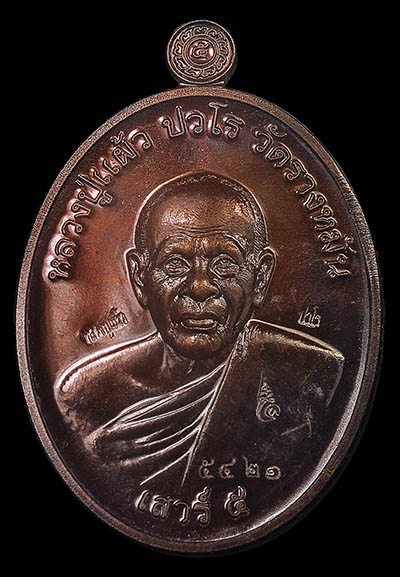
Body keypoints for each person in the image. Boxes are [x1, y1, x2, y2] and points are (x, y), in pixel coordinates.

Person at [55, 172, 344, 488]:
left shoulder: (308, 372)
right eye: (175, 263)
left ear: (260, 278)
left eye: (224, 263)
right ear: (139, 277)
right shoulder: (89, 394)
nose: (200, 286)